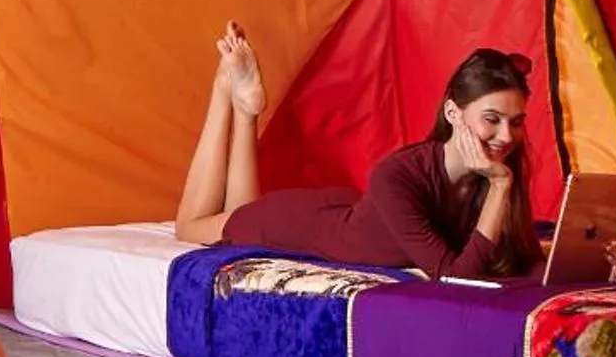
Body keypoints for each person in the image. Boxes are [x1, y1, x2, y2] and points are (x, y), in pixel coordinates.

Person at [174, 27, 538, 280]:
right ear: (453, 113)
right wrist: (500, 187)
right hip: (295, 224)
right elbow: (457, 278)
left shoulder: (492, 170)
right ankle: (224, 89)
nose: (507, 135)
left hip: (342, 213)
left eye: (516, 122)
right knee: (190, 226)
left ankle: (246, 112)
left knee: (239, 212)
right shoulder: (401, 174)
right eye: (492, 119)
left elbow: (524, 259)